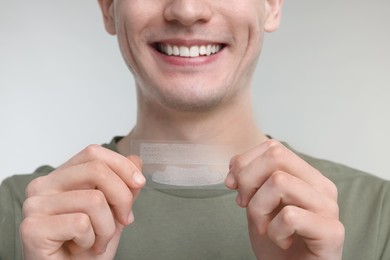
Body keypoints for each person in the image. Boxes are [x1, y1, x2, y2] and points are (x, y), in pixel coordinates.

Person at [0, 0, 389, 259]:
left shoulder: (379, 217)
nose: (187, 10)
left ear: (271, 4)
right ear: (108, 8)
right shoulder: (15, 216)